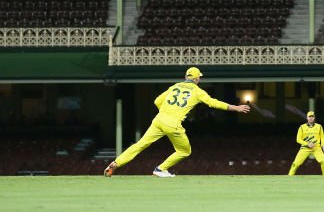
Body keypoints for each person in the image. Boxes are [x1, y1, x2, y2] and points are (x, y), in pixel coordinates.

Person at [104, 66, 250, 178]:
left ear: (185, 77)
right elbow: (213, 103)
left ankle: (116, 163)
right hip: (172, 124)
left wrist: (167, 111)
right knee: (185, 151)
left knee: (140, 145)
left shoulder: (175, 86)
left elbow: (157, 101)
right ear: (197, 79)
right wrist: (236, 108)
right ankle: (160, 169)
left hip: (159, 119)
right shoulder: (198, 91)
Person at [288, 110, 324, 176]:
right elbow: (298, 139)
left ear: (314, 118)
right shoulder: (302, 127)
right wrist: (307, 144)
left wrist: (322, 145)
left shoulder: (319, 127)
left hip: (316, 148)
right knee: (296, 163)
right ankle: (289, 176)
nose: (311, 118)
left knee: (323, 161)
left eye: (312, 117)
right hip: (305, 148)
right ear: (307, 118)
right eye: (309, 117)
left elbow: (322, 137)